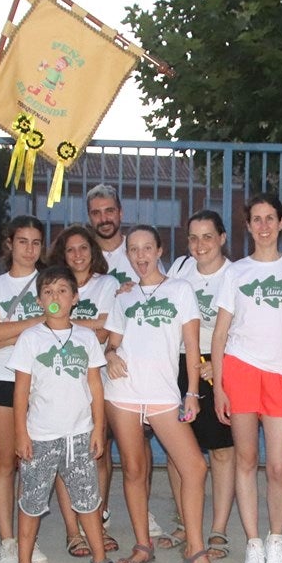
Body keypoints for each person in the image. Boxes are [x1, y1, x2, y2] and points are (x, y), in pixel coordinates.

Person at [102, 226, 223, 563]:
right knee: (135, 470)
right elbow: (113, 343)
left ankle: (195, 550)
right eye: (133, 250)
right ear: (127, 255)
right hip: (123, 394)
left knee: (195, 468)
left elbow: (190, 344)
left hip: (164, 396)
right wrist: (109, 354)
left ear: (159, 251)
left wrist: (192, 393)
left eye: (147, 248)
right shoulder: (122, 297)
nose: (140, 256)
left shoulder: (180, 290)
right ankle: (142, 545)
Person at [1, 265, 127, 563]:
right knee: (30, 502)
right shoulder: (30, 339)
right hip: (41, 436)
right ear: (39, 300)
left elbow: (95, 388)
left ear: (74, 298)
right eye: (48, 292)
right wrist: (20, 434)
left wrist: (99, 429)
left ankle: (100, 559)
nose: (55, 297)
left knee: (88, 500)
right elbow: (20, 392)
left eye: (61, 291)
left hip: (80, 435)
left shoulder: (86, 338)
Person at [213, 194, 282, 563]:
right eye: (257, 219)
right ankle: (253, 543)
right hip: (240, 371)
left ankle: (276, 539)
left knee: (277, 467)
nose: (264, 226)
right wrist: (221, 386)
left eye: (270, 218)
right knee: (244, 460)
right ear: (248, 225)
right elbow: (220, 334)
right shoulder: (235, 272)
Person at [85, 184, 166, 540]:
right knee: (98, 442)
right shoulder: (84, 255)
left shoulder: (139, 250)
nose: (104, 218)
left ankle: (142, 512)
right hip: (94, 364)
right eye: (96, 212)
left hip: (133, 369)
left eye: (109, 211)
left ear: (120, 213)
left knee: (139, 446)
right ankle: (100, 513)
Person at [0, 215, 51, 563]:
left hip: (41, 381)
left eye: (36, 242)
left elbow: (60, 323)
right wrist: (35, 323)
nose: (30, 249)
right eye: (23, 241)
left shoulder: (50, 283)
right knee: (5, 461)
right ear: (10, 244)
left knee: (32, 462)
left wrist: (9, 332)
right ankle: (7, 541)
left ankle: (27, 537)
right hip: (1, 378)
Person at [166, 210, 236, 560]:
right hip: (180, 363)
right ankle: (184, 521)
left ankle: (218, 529)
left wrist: (222, 368)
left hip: (218, 367)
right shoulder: (179, 270)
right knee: (179, 452)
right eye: (193, 237)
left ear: (222, 238)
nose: (200, 244)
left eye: (207, 236)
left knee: (223, 451)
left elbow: (248, 326)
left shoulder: (235, 274)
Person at [49, 225, 122, 557]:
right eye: (70, 250)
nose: (77, 255)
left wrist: (67, 323)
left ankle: (99, 517)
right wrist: (87, 326)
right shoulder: (53, 285)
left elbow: (106, 330)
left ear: (93, 251)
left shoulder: (107, 284)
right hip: (60, 380)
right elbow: (48, 326)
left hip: (97, 379)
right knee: (66, 454)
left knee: (98, 452)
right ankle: (72, 530)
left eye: (83, 248)